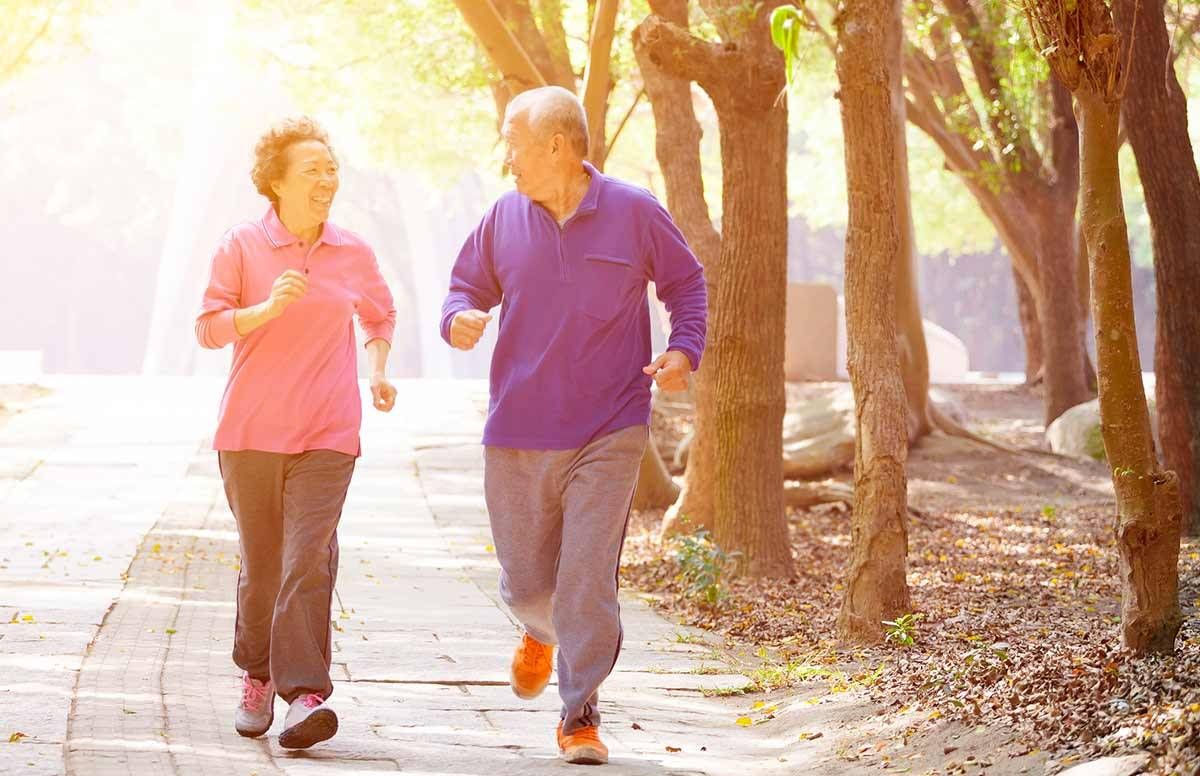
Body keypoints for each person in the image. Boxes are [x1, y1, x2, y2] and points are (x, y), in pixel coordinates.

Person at [440, 86, 707, 765]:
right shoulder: (504, 218)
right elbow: (464, 287)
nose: (508, 162)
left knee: (586, 577)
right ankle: (539, 628)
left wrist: (683, 351)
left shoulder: (635, 212)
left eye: (515, 147)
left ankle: (580, 712)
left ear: (556, 146)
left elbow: (686, 284)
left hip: (608, 426)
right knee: (528, 581)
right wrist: (459, 319)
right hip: (517, 428)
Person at [195, 115, 397, 750]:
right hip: (250, 432)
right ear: (275, 182)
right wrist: (265, 309)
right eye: (312, 169)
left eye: (331, 169)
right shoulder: (241, 246)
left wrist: (379, 368)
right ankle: (256, 674)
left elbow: (381, 311)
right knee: (264, 566)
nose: (326, 180)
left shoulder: (352, 251)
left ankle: (305, 695)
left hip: (329, 432)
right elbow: (209, 325)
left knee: (308, 558)